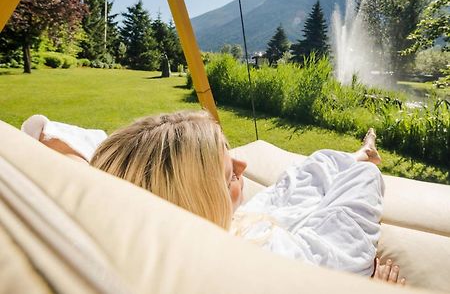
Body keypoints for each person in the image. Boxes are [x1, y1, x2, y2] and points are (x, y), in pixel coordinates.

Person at [29, 110, 405, 284]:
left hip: (237, 224)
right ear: (197, 202)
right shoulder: (257, 271)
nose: (243, 162)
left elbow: (46, 132)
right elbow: (344, 256)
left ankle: (356, 156)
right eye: (229, 177)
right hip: (263, 242)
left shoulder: (125, 201)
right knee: (361, 179)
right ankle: (364, 159)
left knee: (307, 172)